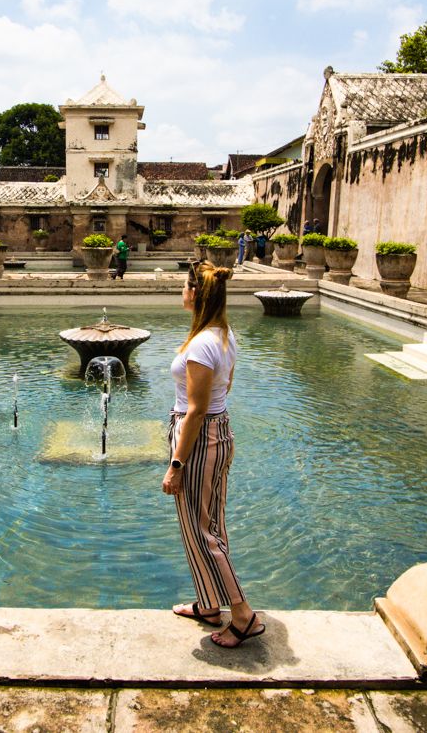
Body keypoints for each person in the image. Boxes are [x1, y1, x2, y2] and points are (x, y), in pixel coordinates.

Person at [164, 260, 263, 648]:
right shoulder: (221, 334)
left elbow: (196, 410)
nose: (181, 292)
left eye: (184, 286)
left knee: (202, 532)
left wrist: (176, 464)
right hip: (216, 433)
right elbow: (227, 386)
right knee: (210, 527)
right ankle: (208, 604)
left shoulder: (203, 344)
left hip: (200, 438)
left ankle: (243, 615)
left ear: (195, 293)